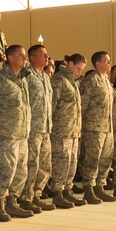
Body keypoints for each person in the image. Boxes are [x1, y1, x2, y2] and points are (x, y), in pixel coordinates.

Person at [0, 45, 33, 221]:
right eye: (20, 55)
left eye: (24, 55)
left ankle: (12, 202)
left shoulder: (22, 79)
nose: (24, 58)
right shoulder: (0, 80)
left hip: (22, 133)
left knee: (21, 171)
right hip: (5, 135)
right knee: (6, 170)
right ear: (10, 58)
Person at [79, 50, 116, 204]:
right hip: (93, 128)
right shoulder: (91, 80)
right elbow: (82, 105)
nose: (109, 63)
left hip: (107, 127)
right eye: (107, 61)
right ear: (98, 63)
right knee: (92, 160)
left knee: (105, 159)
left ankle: (100, 187)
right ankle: (89, 189)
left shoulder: (106, 80)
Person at [49, 54, 86, 209]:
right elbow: (52, 105)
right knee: (61, 162)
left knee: (71, 163)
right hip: (61, 131)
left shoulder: (73, 82)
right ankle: (57, 193)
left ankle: (67, 190)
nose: (78, 72)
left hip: (73, 130)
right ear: (70, 64)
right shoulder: (59, 81)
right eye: (78, 68)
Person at [23, 44, 53, 212]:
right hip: (33, 128)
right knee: (32, 164)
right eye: (42, 54)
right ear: (32, 58)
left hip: (46, 127)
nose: (46, 57)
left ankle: (37, 195)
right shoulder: (27, 75)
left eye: (47, 54)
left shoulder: (46, 78)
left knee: (44, 165)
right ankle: (26, 197)